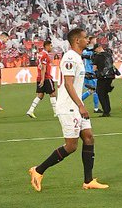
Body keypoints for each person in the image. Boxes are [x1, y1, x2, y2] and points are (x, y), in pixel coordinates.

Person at [28, 27, 109, 191]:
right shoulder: (70, 57)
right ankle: (38, 170)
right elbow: (68, 83)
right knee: (71, 146)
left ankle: (88, 180)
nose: (88, 40)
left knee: (89, 137)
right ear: (77, 40)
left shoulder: (77, 57)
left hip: (76, 107)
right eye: (86, 38)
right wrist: (80, 105)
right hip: (69, 107)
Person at [25, 40, 55, 119]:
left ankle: (30, 110)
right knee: (53, 94)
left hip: (40, 77)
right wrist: (43, 79)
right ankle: (56, 112)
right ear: (47, 46)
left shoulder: (40, 54)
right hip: (46, 77)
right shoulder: (45, 55)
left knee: (40, 95)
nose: (51, 47)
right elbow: (43, 68)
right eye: (51, 46)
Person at [91, 41, 115, 117]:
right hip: (110, 76)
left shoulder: (98, 56)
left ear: (98, 48)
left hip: (102, 77)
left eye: (95, 50)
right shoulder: (109, 55)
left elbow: (94, 68)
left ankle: (106, 111)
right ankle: (108, 109)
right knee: (106, 94)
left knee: (100, 93)